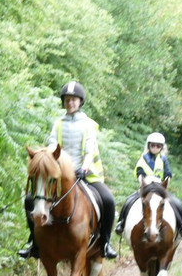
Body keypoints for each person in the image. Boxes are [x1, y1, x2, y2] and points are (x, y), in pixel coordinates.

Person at [18, 80, 118, 260]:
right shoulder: (58, 123)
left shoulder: (88, 124)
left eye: (74, 99)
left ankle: (105, 243)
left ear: (80, 102)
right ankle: (33, 242)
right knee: (29, 199)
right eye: (67, 100)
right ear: (64, 102)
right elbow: (51, 148)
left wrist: (84, 169)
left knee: (108, 200)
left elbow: (90, 150)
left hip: (85, 174)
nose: (70, 103)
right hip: (60, 175)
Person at [115, 132, 182, 239]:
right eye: (153, 145)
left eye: (158, 146)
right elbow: (139, 172)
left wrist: (165, 185)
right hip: (146, 188)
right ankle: (121, 223)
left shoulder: (163, 159)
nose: (155, 148)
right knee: (129, 201)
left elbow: (168, 174)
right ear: (148, 146)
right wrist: (143, 184)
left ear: (161, 147)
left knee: (177, 203)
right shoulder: (143, 158)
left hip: (159, 189)